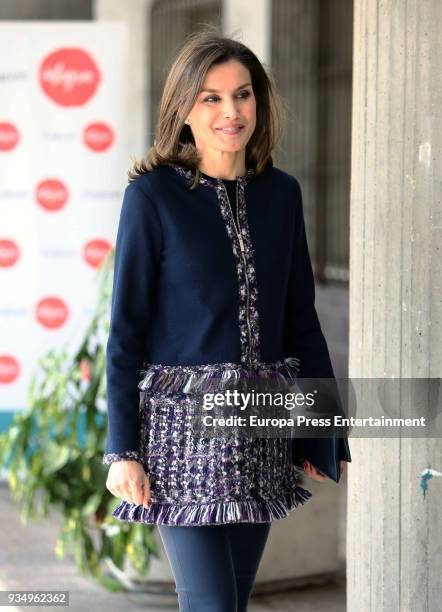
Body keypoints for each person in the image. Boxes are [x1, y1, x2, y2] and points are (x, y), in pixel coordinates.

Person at [102, 28, 351, 612]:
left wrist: (322, 429)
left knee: (233, 603)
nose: (230, 111)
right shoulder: (153, 197)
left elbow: (301, 321)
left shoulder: (282, 196)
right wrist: (122, 449)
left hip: (261, 431)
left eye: (242, 94)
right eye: (211, 97)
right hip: (179, 438)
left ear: (258, 103)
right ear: (184, 109)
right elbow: (126, 334)